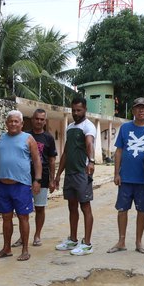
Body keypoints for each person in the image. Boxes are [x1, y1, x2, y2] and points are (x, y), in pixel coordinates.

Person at [0, 110, 42, 261]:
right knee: (6, 218)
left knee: (23, 217)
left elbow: (37, 160)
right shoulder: (1, 139)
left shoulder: (28, 139)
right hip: (3, 185)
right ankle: (7, 248)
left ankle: (25, 249)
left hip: (22, 185)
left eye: (16, 121)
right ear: (6, 123)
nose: (13, 124)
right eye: (10, 121)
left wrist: (37, 180)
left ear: (22, 124)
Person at [109, 97, 144, 254]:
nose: (141, 110)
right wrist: (116, 173)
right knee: (122, 209)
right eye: (138, 108)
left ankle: (138, 242)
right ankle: (121, 241)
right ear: (133, 110)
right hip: (126, 177)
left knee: (142, 210)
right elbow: (119, 151)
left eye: (143, 108)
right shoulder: (125, 128)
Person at [54, 96, 96, 256]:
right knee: (72, 206)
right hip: (70, 174)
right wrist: (58, 175)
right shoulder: (70, 127)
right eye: (73, 110)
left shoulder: (88, 127)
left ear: (85, 109)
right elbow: (65, 152)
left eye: (79, 110)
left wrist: (91, 161)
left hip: (82, 173)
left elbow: (89, 143)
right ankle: (72, 239)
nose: (76, 113)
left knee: (85, 206)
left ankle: (87, 243)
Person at [11, 108, 57, 248]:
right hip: (23, 177)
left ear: (45, 121)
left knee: (40, 208)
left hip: (41, 178)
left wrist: (52, 180)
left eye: (42, 119)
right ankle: (22, 236)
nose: (39, 121)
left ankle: (37, 235)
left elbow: (52, 160)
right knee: (21, 210)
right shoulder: (24, 135)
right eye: (36, 118)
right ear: (32, 119)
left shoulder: (48, 138)